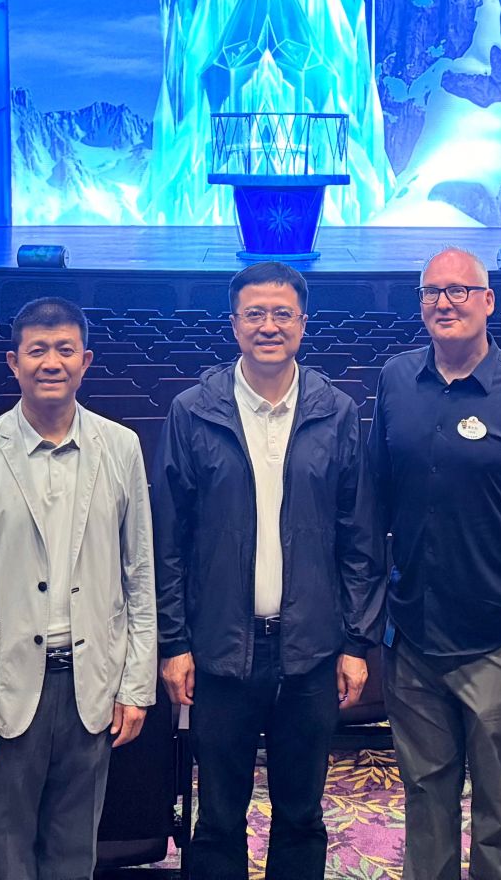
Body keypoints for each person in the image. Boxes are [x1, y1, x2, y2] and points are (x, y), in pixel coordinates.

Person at [154, 261, 383, 880]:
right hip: (219, 649)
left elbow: (359, 539)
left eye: (283, 313)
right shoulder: (192, 411)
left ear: (303, 323)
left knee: (302, 814)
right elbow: (168, 542)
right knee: (218, 816)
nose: (269, 326)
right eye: (254, 313)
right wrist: (174, 642)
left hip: (310, 650)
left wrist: (356, 642)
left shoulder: (336, 412)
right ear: (234, 324)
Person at [370, 247, 501, 880]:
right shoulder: (395, 381)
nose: (445, 302)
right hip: (414, 638)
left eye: (459, 290)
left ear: (488, 301)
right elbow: (377, 498)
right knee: (424, 800)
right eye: (432, 291)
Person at [0, 296, 157, 880]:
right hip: (3, 686)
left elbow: (140, 572)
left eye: (64, 350)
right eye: (37, 350)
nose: (50, 362)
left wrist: (136, 685)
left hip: (93, 682)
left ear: (86, 361)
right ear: (14, 362)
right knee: (7, 852)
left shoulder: (121, 447)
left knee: (75, 851)